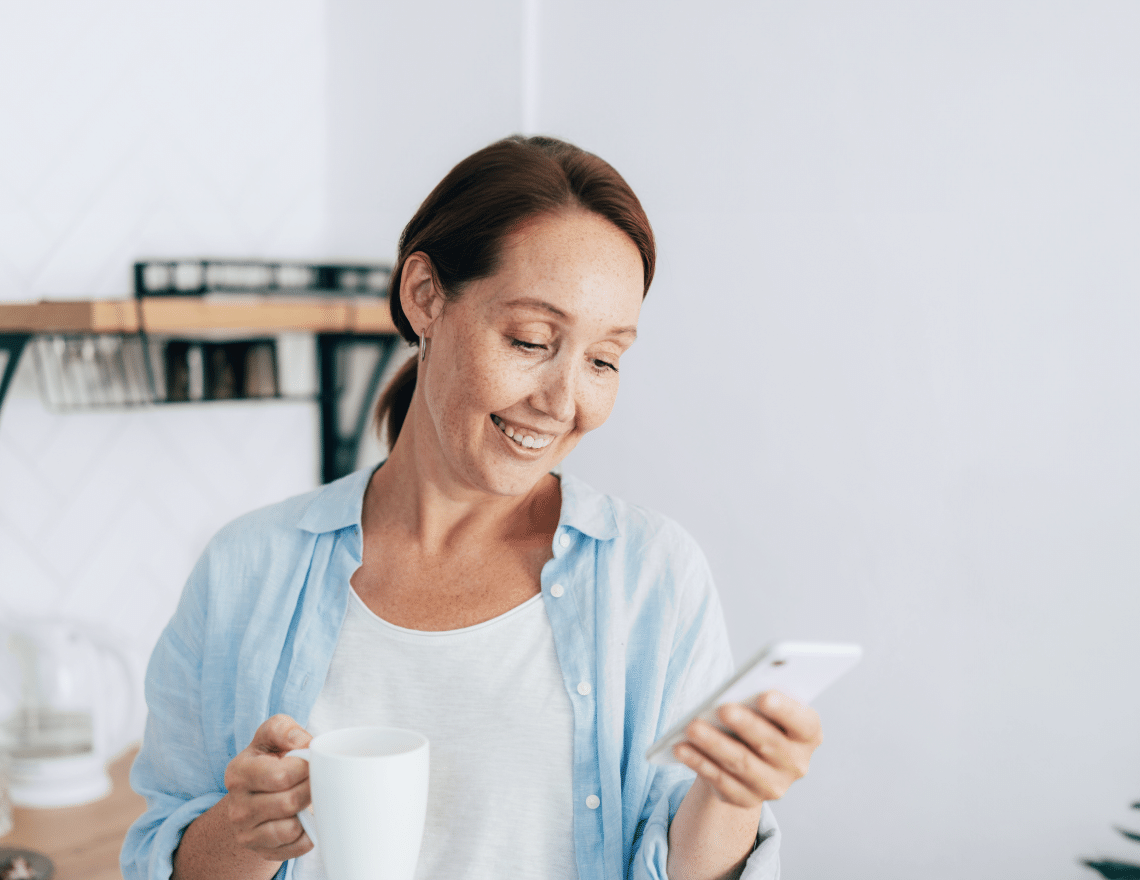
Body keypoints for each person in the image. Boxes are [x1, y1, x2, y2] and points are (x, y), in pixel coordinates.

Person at [120, 135, 825, 880]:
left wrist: (730, 792)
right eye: (530, 340)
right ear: (425, 296)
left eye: (604, 360)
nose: (562, 403)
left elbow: (689, 866)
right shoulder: (245, 568)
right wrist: (245, 832)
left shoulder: (652, 576)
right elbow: (164, 855)